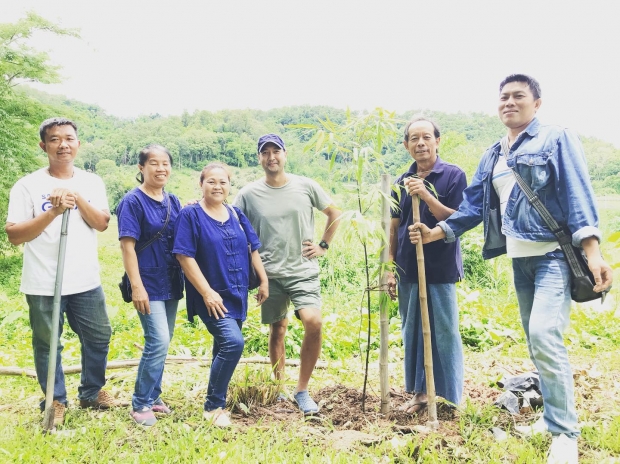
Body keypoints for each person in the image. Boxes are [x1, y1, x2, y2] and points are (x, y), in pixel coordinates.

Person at [409, 74, 613, 464]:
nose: (509, 102)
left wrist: (592, 250)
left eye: (519, 96)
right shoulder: (493, 154)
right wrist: (438, 233)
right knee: (535, 341)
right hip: (521, 261)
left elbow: (577, 191)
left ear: (537, 103)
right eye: (503, 97)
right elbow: (472, 205)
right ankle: (552, 416)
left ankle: (565, 432)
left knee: (544, 335)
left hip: (554, 254)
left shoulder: (555, 138)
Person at [5, 117, 120, 427]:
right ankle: (55, 400)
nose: (63, 144)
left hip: (85, 280)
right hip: (42, 280)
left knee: (98, 337)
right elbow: (15, 235)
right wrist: (54, 211)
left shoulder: (91, 182)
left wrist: (76, 197)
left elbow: (102, 222)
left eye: (69, 138)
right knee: (47, 343)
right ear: (44, 146)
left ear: (78, 144)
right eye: (55, 139)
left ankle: (92, 392)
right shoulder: (27, 185)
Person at [234, 134, 341, 415]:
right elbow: (229, 222)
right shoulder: (248, 194)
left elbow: (335, 214)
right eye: (265, 152)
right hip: (268, 274)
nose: (271, 157)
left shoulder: (306, 186)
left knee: (313, 321)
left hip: (302, 269)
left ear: (285, 154)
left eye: (276, 151)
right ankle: (279, 387)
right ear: (259, 158)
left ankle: (302, 390)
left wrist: (323, 245)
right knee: (277, 328)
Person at [173, 162, 268, 427]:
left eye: (223, 182)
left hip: (236, 291)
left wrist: (263, 279)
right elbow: (183, 255)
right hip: (210, 295)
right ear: (201, 184)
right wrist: (207, 292)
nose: (217, 186)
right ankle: (213, 406)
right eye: (211, 181)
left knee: (222, 346)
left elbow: (253, 248)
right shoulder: (190, 214)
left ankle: (218, 399)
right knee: (232, 343)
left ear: (229, 186)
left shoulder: (235, 213)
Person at [387, 117, 467, 414]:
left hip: (440, 266)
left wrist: (426, 195)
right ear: (407, 145)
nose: (420, 143)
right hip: (408, 266)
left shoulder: (453, 175)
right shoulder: (399, 183)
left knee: (444, 330)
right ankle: (420, 393)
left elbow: (458, 217)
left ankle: (449, 399)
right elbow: (392, 228)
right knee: (413, 330)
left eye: (426, 137)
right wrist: (389, 267)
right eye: (414, 139)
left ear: (437, 141)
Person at [116, 144, 184, 427]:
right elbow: (127, 247)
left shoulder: (174, 201)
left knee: (163, 341)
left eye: (165, 163)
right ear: (141, 168)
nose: (160, 168)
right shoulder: (132, 201)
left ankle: (154, 396)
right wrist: (137, 286)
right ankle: (140, 402)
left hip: (171, 280)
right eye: (153, 163)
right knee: (157, 341)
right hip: (147, 282)